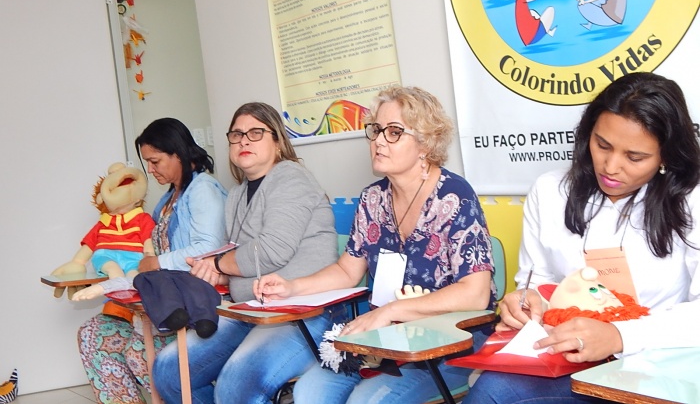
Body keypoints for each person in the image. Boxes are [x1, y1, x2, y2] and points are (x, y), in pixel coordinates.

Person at [464, 72, 700, 404]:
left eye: (634, 157)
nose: (611, 166)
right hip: (566, 354)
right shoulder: (551, 191)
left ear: (666, 155)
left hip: (657, 361)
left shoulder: (692, 199)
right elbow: (539, 280)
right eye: (602, 145)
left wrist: (619, 335)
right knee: (491, 393)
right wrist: (528, 302)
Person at [257, 86, 497, 404]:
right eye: (376, 130)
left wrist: (391, 311)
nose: (379, 141)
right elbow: (348, 270)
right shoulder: (372, 198)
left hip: (449, 345)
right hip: (384, 341)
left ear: (426, 143)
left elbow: (475, 293)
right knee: (309, 392)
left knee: (365, 401)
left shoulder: (455, 196)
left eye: (394, 132)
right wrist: (291, 287)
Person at [153, 102, 341, 404]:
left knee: (234, 386)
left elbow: (270, 251)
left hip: (303, 314)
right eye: (237, 135)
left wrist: (216, 263)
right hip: (250, 311)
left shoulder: (291, 177)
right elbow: (236, 257)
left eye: (255, 133)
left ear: (277, 141)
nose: (244, 141)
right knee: (169, 371)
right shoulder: (237, 194)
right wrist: (212, 270)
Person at [77, 118, 228, 404]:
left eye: (155, 161)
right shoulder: (170, 196)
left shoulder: (203, 190)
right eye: (147, 162)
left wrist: (157, 262)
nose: (150, 169)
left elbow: (209, 248)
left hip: (192, 304)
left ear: (178, 153)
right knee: (92, 334)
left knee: (139, 354)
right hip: (162, 297)